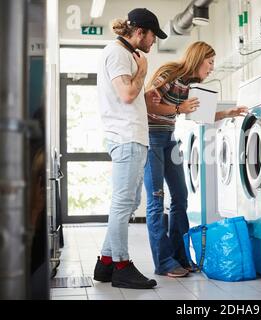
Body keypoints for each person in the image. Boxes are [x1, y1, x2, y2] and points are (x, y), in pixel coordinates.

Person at [144, 41, 248, 277]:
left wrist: (229, 112)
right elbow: (147, 102)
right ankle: (164, 263)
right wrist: (179, 108)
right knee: (156, 202)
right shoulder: (169, 73)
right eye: (209, 62)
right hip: (151, 138)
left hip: (169, 138)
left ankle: (180, 257)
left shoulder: (193, 85)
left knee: (180, 197)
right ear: (198, 58)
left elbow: (202, 115)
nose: (211, 68)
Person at [93, 8, 167, 289]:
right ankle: (122, 266)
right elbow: (125, 94)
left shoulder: (122, 54)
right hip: (126, 137)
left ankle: (106, 262)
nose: (153, 42)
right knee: (123, 202)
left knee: (129, 202)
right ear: (139, 32)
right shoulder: (118, 53)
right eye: (152, 36)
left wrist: (145, 92)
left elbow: (126, 93)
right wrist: (143, 73)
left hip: (131, 137)